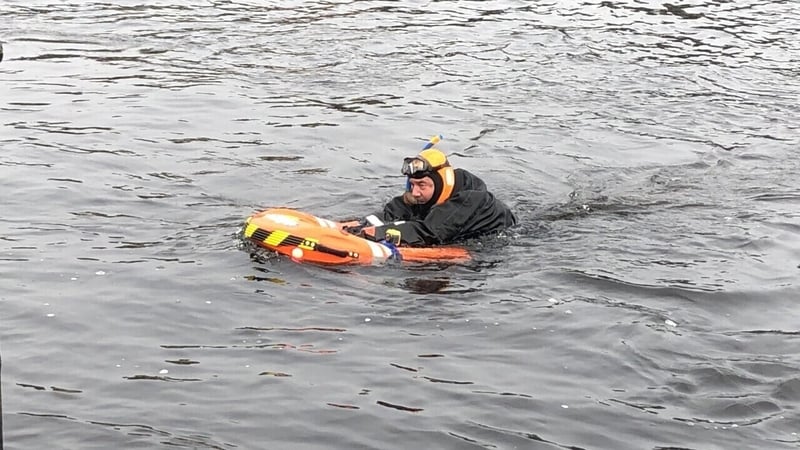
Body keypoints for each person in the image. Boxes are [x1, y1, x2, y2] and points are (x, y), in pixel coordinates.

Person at [355, 147, 516, 246]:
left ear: (440, 184)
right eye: (412, 184)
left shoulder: (469, 199)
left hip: (497, 240)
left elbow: (430, 232)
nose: (415, 192)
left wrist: (378, 233)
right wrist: (363, 224)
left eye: (422, 185)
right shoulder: (429, 193)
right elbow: (397, 209)